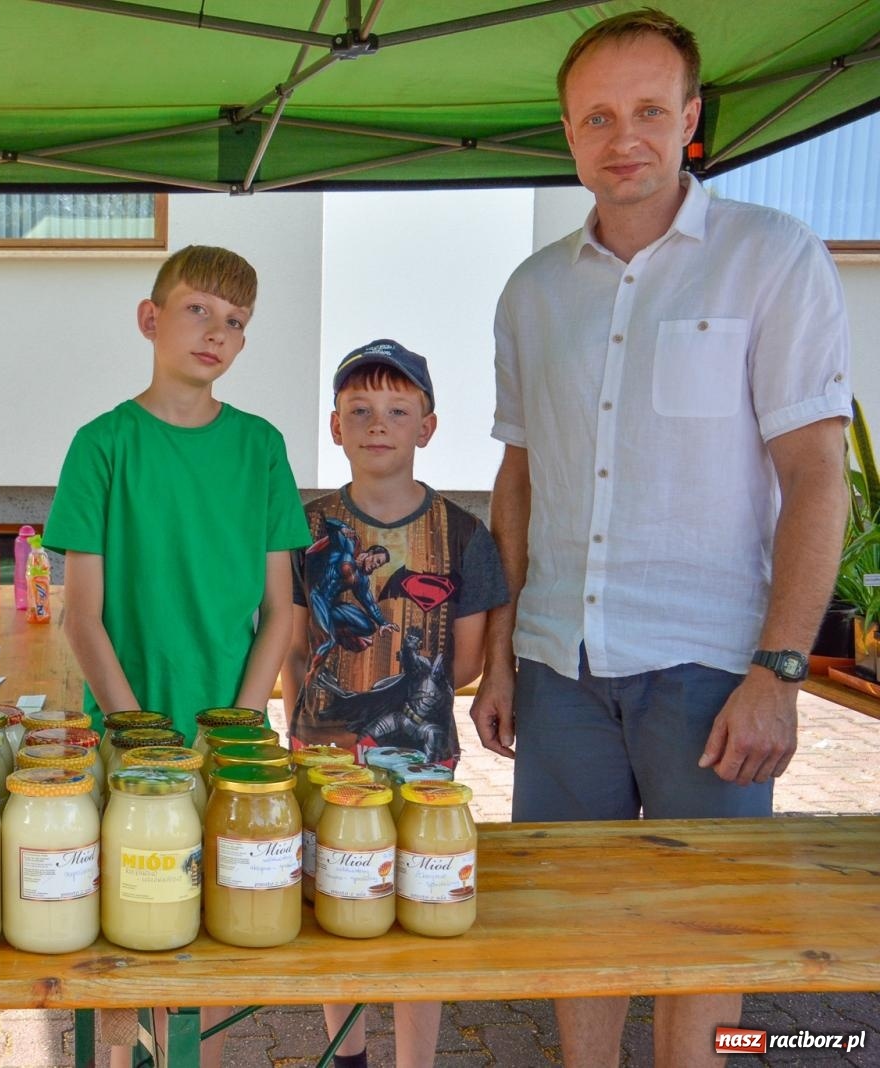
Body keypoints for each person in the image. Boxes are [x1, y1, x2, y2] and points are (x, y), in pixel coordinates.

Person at [470, 9, 851, 1067]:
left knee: (708, 931)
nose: (620, 135)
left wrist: (780, 668)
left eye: (647, 109)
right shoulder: (532, 291)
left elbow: (817, 472)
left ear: (689, 119)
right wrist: (498, 653)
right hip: (557, 668)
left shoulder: (769, 257)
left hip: (711, 671)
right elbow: (521, 474)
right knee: (569, 922)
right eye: (595, 116)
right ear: (566, 133)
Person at [44, 244, 311, 1067]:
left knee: (208, 937)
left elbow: (281, 613)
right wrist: (140, 739)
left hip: (228, 744)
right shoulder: (101, 445)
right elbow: (80, 618)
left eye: (236, 322)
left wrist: (236, 727)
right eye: (199, 310)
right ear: (150, 319)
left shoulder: (260, 446)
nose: (218, 333)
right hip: (124, 740)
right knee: (127, 934)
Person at [282, 339, 508, 1068]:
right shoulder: (300, 531)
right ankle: (347, 1053)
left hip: (422, 765)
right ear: (335, 426)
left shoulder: (466, 536)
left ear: (427, 427)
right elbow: (287, 644)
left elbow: (468, 662)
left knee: (422, 915)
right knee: (338, 911)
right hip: (322, 754)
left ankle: (416, 1060)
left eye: (397, 410)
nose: (378, 423)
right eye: (360, 410)